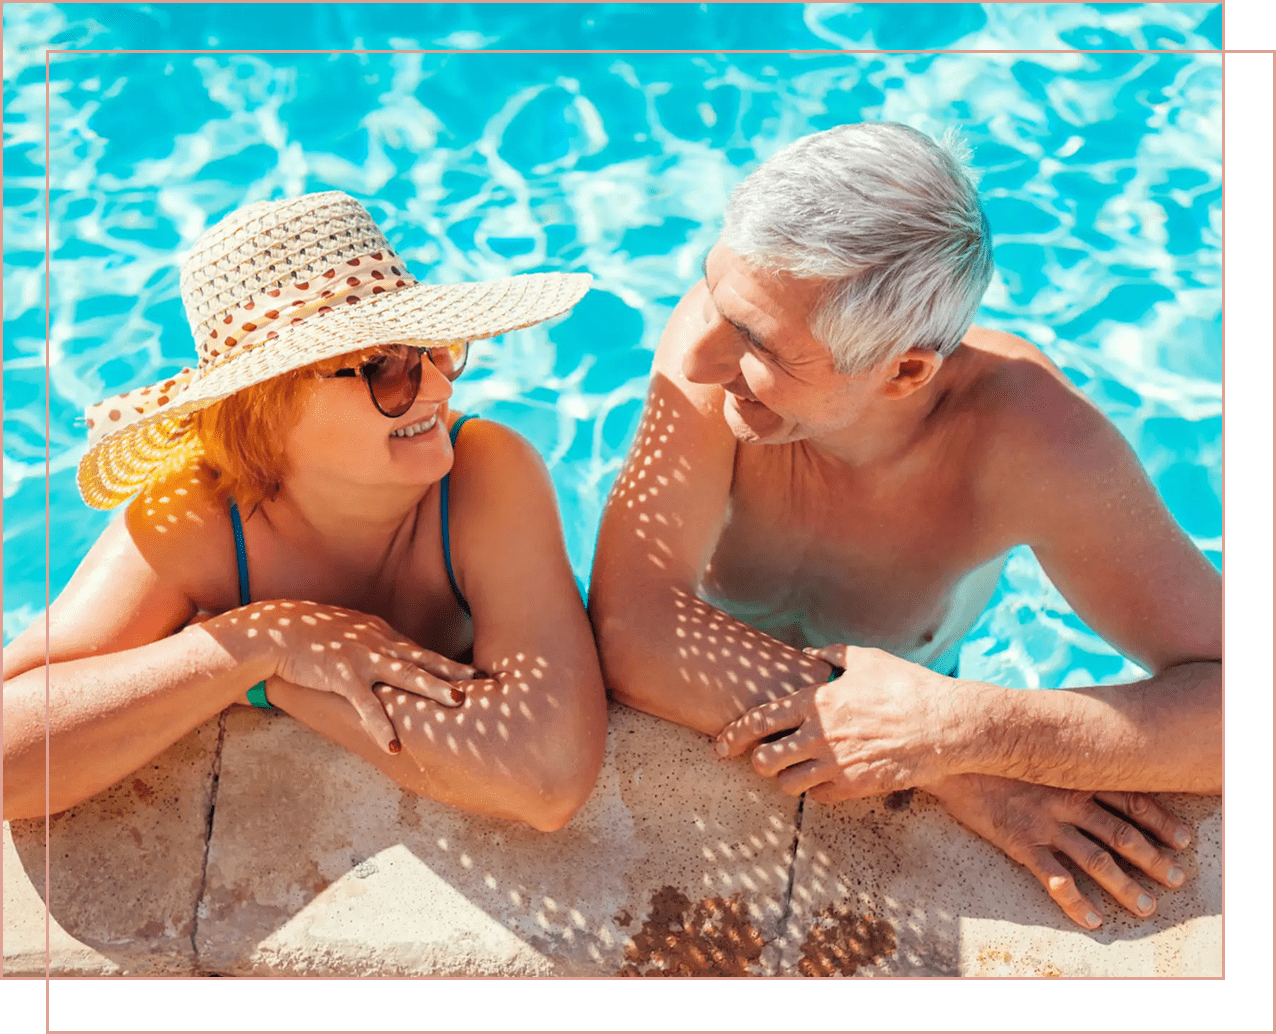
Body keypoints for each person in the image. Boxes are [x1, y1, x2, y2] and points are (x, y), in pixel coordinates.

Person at [589, 122, 1221, 930]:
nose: (702, 362)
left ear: (906, 371)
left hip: (902, 684)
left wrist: (962, 724)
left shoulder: (1033, 444)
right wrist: (953, 765)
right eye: (715, 293)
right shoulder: (723, 325)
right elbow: (631, 625)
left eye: (760, 347)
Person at [3, 191, 607, 832]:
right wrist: (257, 641)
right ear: (268, 408)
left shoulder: (484, 471)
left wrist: (276, 680)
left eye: (435, 348)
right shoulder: (196, 519)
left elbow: (548, 776)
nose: (439, 386)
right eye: (388, 369)